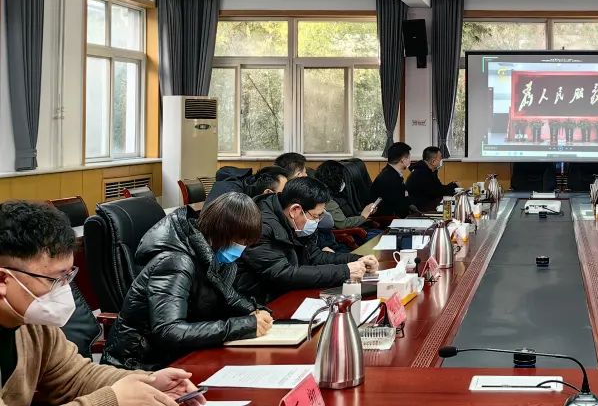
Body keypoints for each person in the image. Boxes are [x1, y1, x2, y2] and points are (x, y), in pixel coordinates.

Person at [1, 201, 205, 406]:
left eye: (68, 277)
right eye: (54, 280)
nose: (64, 290)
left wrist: (148, 383)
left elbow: (75, 377)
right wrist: (111, 403)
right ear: (3, 280)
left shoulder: (32, 323)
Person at [103, 193, 273, 371]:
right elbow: (169, 331)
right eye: (239, 241)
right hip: (138, 365)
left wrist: (253, 310)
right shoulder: (175, 261)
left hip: (176, 356)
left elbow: (226, 294)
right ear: (221, 232)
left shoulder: (209, 254)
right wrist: (240, 326)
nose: (241, 248)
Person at [234, 178, 378, 304]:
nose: (317, 221)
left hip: (287, 292)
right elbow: (282, 274)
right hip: (260, 303)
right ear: (295, 210)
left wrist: (357, 260)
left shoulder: (294, 222)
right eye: (316, 216)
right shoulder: (259, 226)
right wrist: (345, 271)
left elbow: (315, 256)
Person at [370, 142, 416, 218]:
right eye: (408, 158)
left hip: (396, 217)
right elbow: (398, 208)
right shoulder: (390, 179)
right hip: (389, 221)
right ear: (403, 160)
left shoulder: (392, 173)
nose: (410, 161)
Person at [405, 147, 459, 212]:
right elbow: (436, 192)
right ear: (433, 161)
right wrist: (453, 186)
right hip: (420, 209)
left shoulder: (429, 171)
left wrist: (452, 185)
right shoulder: (421, 173)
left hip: (428, 204)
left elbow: (438, 188)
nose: (441, 160)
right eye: (440, 158)